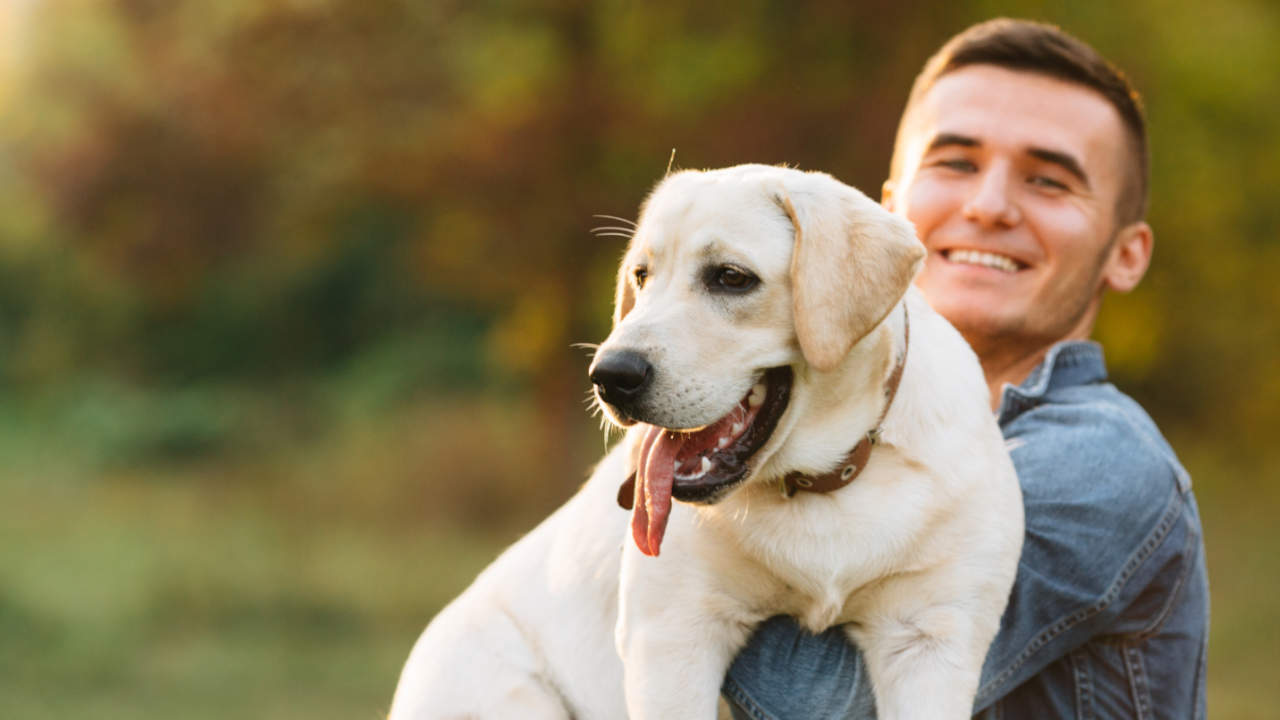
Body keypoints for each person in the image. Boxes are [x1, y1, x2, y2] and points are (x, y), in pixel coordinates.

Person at [721, 18, 1209, 718]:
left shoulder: (1102, 465)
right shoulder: (836, 448)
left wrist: (661, 536)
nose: (988, 207)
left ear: (1126, 254)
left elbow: (821, 701)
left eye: (1049, 180)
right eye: (954, 164)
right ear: (888, 211)